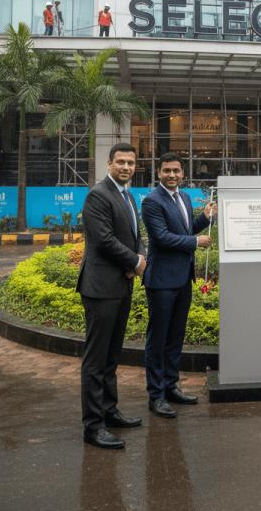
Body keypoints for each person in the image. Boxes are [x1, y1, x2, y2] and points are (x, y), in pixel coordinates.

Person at [76, 143, 147, 449]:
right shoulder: (98, 195)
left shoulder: (128, 195)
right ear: (109, 164)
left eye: (131, 163)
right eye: (121, 162)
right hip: (101, 287)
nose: (126, 167)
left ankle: (109, 410)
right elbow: (104, 241)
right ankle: (93, 426)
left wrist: (140, 257)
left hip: (122, 285)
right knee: (96, 359)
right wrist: (135, 262)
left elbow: (135, 235)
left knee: (112, 356)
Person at [140, 152, 217, 418]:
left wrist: (205, 218)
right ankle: (156, 395)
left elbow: (185, 231)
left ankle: (170, 386)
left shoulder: (183, 197)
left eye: (176, 170)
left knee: (175, 337)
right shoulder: (152, 201)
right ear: (159, 173)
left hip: (183, 279)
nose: (171, 175)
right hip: (161, 281)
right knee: (157, 339)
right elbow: (161, 238)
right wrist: (197, 243)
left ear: (183, 173)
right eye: (166, 170)